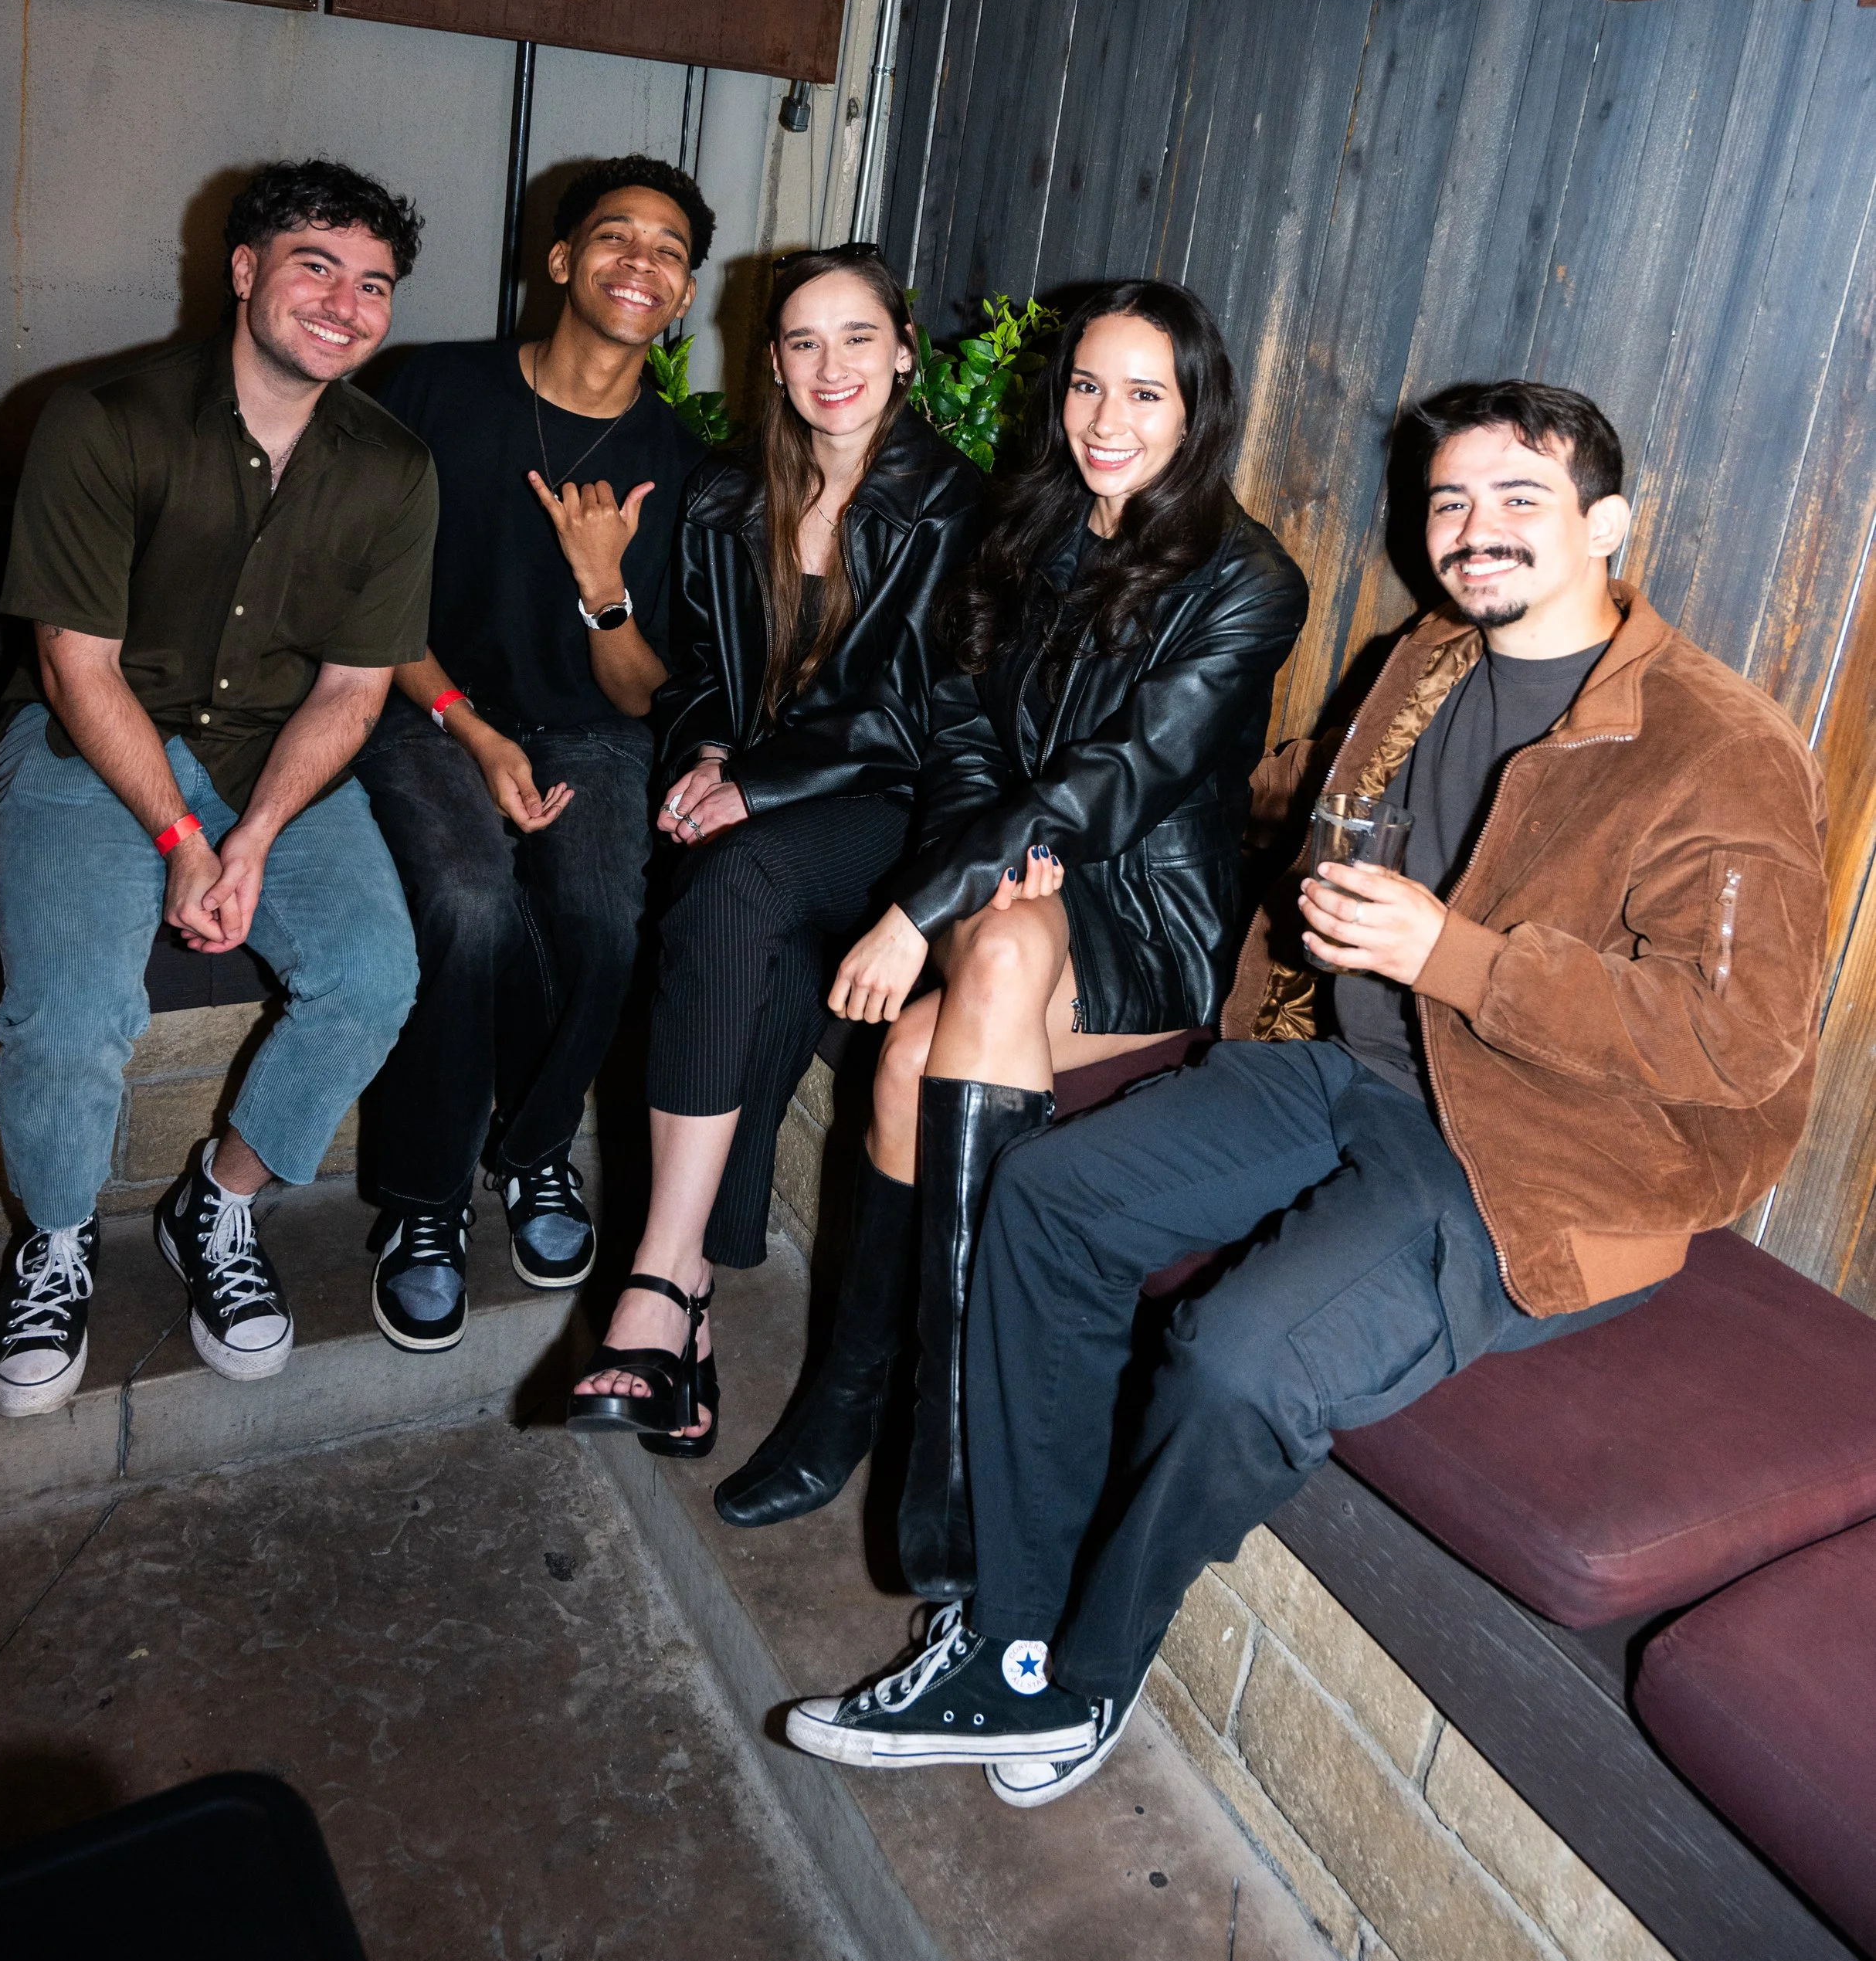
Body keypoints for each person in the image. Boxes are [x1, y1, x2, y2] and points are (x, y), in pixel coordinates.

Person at [780, 379, 1830, 1800]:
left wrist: (1450, 952)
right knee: (1045, 1195)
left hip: (1542, 1154)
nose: (1476, 529)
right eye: (1452, 501)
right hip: (1343, 1067)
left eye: (1521, 499)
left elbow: (1736, 1044)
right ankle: (1009, 1638)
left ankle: (1087, 1671)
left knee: (1237, 1355)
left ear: (1608, 525)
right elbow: (1301, 798)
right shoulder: (1434, 662)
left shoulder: (1718, 744)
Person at [725, 281, 1308, 1574]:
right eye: (1087, 385)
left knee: (970, 970)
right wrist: (981, 867)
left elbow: (1123, 782)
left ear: (1197, 409)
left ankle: (939, 1471)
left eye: (1145, 393)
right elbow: (967, 726)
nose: (1106, 418)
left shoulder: (1250, 580)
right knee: (901, 1057)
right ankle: (862, 1418)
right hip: (1014, 881)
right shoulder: (1031, 524)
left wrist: (915, 909)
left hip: (1149, 912)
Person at [0, 161, 436, 1419]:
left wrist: (260, 836)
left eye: (375, 284)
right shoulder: (104, 419)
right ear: (244, 271)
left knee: (374, 974)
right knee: (72, 1017)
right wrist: (186, 840)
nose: (346, 302)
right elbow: (76, 666)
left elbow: (353, 688)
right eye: (316, 265)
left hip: (271, 752)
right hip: (92, 740)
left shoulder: (395, 469)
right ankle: (56, 1242)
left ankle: (218, 1202)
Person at [568, 245, 982, 1457]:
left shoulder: (957, 506)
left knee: (736, 878)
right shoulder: (726, 495)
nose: (830, 366)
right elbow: (701, 675)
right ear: (774, 364)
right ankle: (681, 1311)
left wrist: (750, 782)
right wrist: (706, 760)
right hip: (765, 806)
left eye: (858, 337)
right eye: (802, 342)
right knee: (757, 940)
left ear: (904, 351)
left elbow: (922, 712)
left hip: (898, 808)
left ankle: (657, 1276)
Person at [355, 158, 714, 1350]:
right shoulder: (435, 390)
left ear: (683, 297)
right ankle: (422, 1197)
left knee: (609, 919)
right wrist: (470, 724)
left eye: (668, 251)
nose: (640, 262)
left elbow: (648, 690)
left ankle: (535, 1149)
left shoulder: (684, 462)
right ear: (560, 262)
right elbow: (366, 594)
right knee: (466, 901)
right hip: (426, 704)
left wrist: (604, 586)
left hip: (594, 728)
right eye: (616, 236)